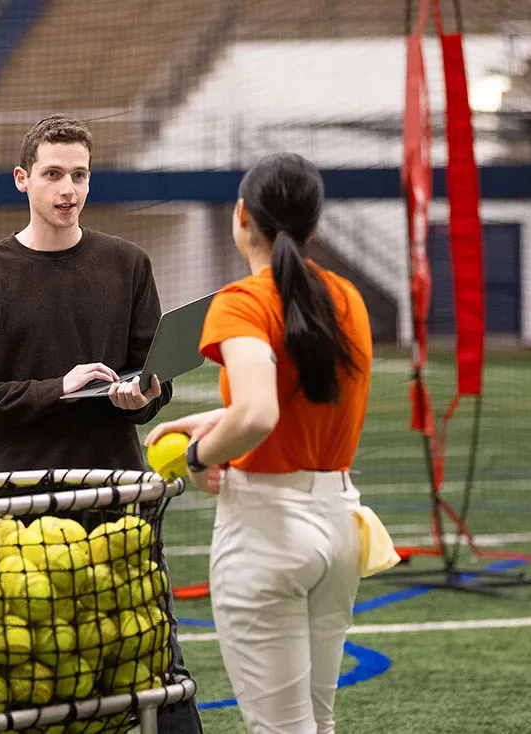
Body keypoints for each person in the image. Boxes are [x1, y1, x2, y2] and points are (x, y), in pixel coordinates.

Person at [0, 114, 203, 733]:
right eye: (53, 174)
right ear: (22, 179)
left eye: (79, 175)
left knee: (154, 657)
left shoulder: (128, 264)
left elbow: (153, 376)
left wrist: (144, 396)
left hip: (120, 495)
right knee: (38, 673)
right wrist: (57, 389)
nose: (68, 189)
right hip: (23, 504)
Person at [146, 152, 373, 734]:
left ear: (242, 214)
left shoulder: (243, 300)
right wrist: (215, 422)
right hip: (340, 524)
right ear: (314, 226)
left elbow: (257, 413)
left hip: (267, 529)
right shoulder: (346, 297)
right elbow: (296, 402)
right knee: (318, 723)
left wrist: (197, 456)